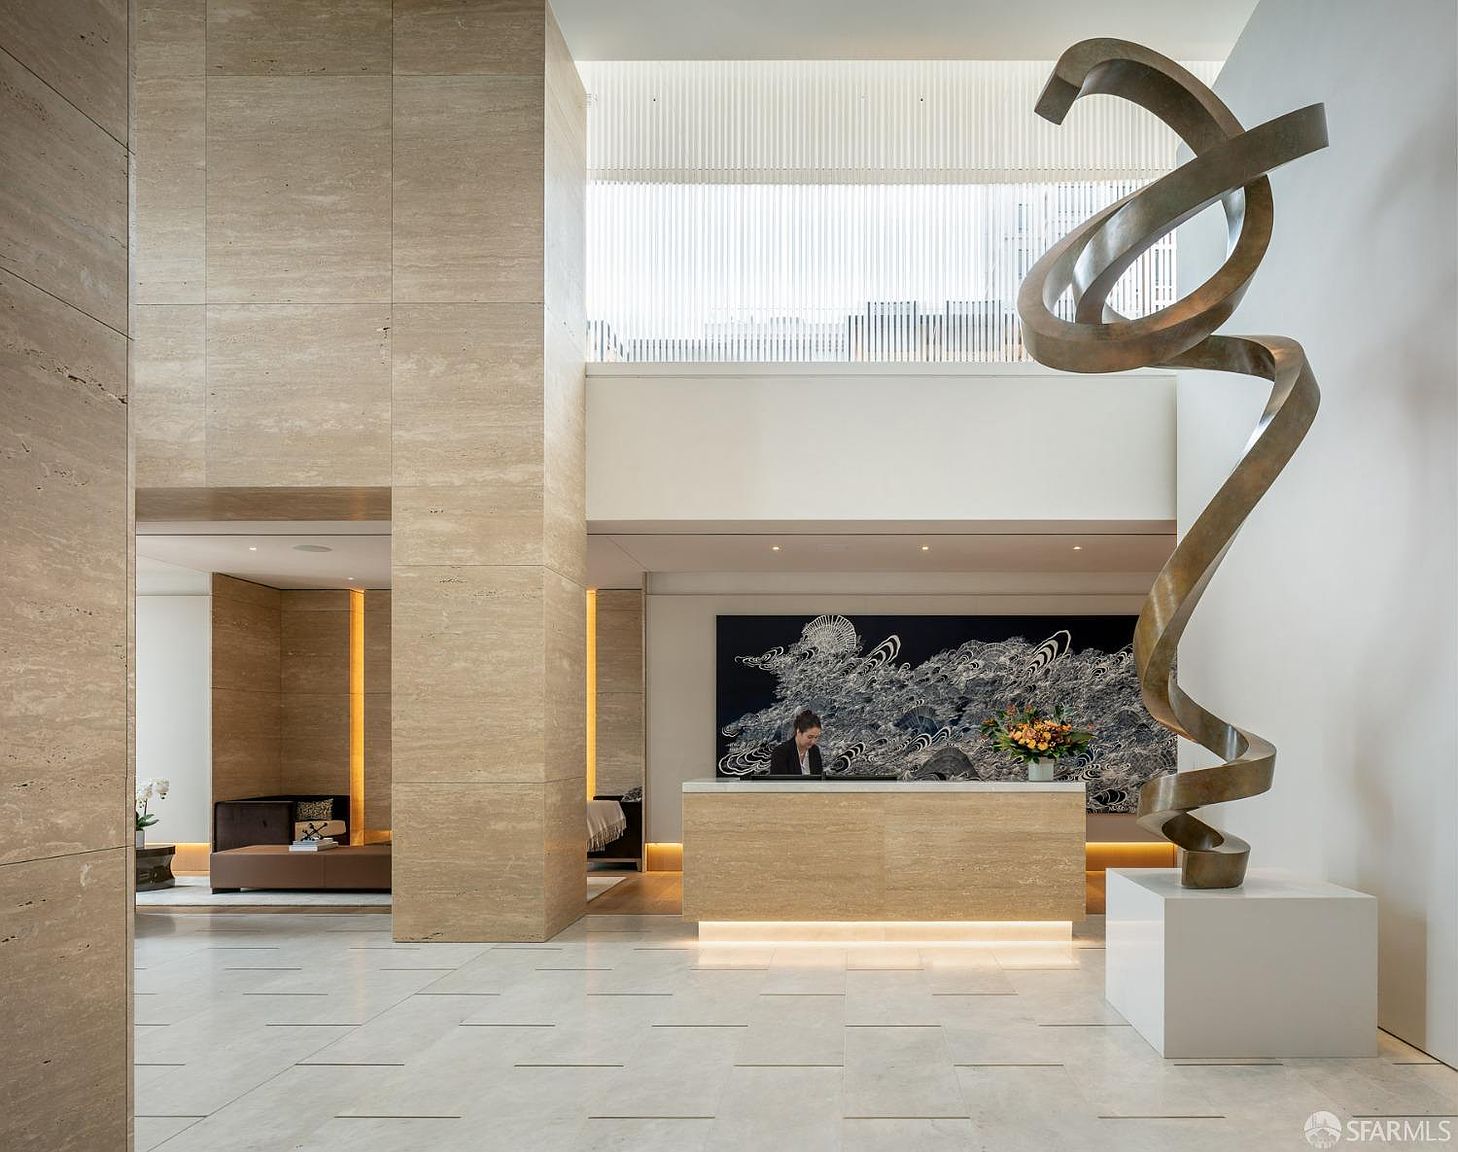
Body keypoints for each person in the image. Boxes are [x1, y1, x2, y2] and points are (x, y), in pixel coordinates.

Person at [768, 709, 824, 776]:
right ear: (798, 732)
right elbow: (778, 784)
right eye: (810, 737)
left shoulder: (815, 751)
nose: (813, 741)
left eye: (816, 737)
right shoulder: (781, 752)